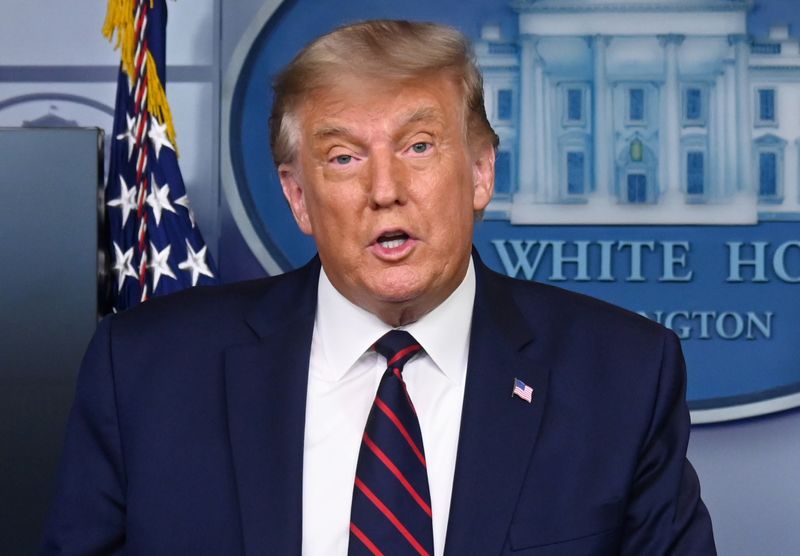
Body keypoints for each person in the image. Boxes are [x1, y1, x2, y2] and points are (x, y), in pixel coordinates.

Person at [42, 19, 715, 555]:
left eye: (419, 146)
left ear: (481, 172)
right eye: (344, 158)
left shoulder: (623, 376)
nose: (385, 191)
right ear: (299, 197)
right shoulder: (145, 370)